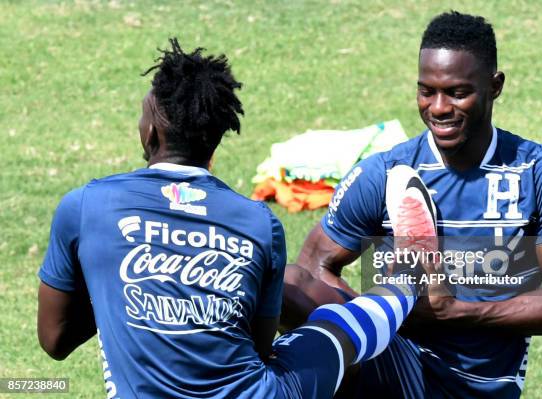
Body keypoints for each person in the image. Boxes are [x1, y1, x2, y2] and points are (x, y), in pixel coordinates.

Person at [36, 38, 435, 399]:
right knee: (336, 333)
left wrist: (118, 278)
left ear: (151, 133)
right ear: (215, 140)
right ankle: (408, 278)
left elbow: (54, 341)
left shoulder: (88, 206)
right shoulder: (257, 221)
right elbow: (262, 351)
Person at [282, 11, 542, 399]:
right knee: (285, 282)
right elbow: (315, 268)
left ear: (495, 86)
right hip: (400, 365)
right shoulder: (385, 173)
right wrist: (387, 312)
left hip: (484, 385)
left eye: (457, 92)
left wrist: (458, 311)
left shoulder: (541, 172)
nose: (438, 108)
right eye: (426, 91)